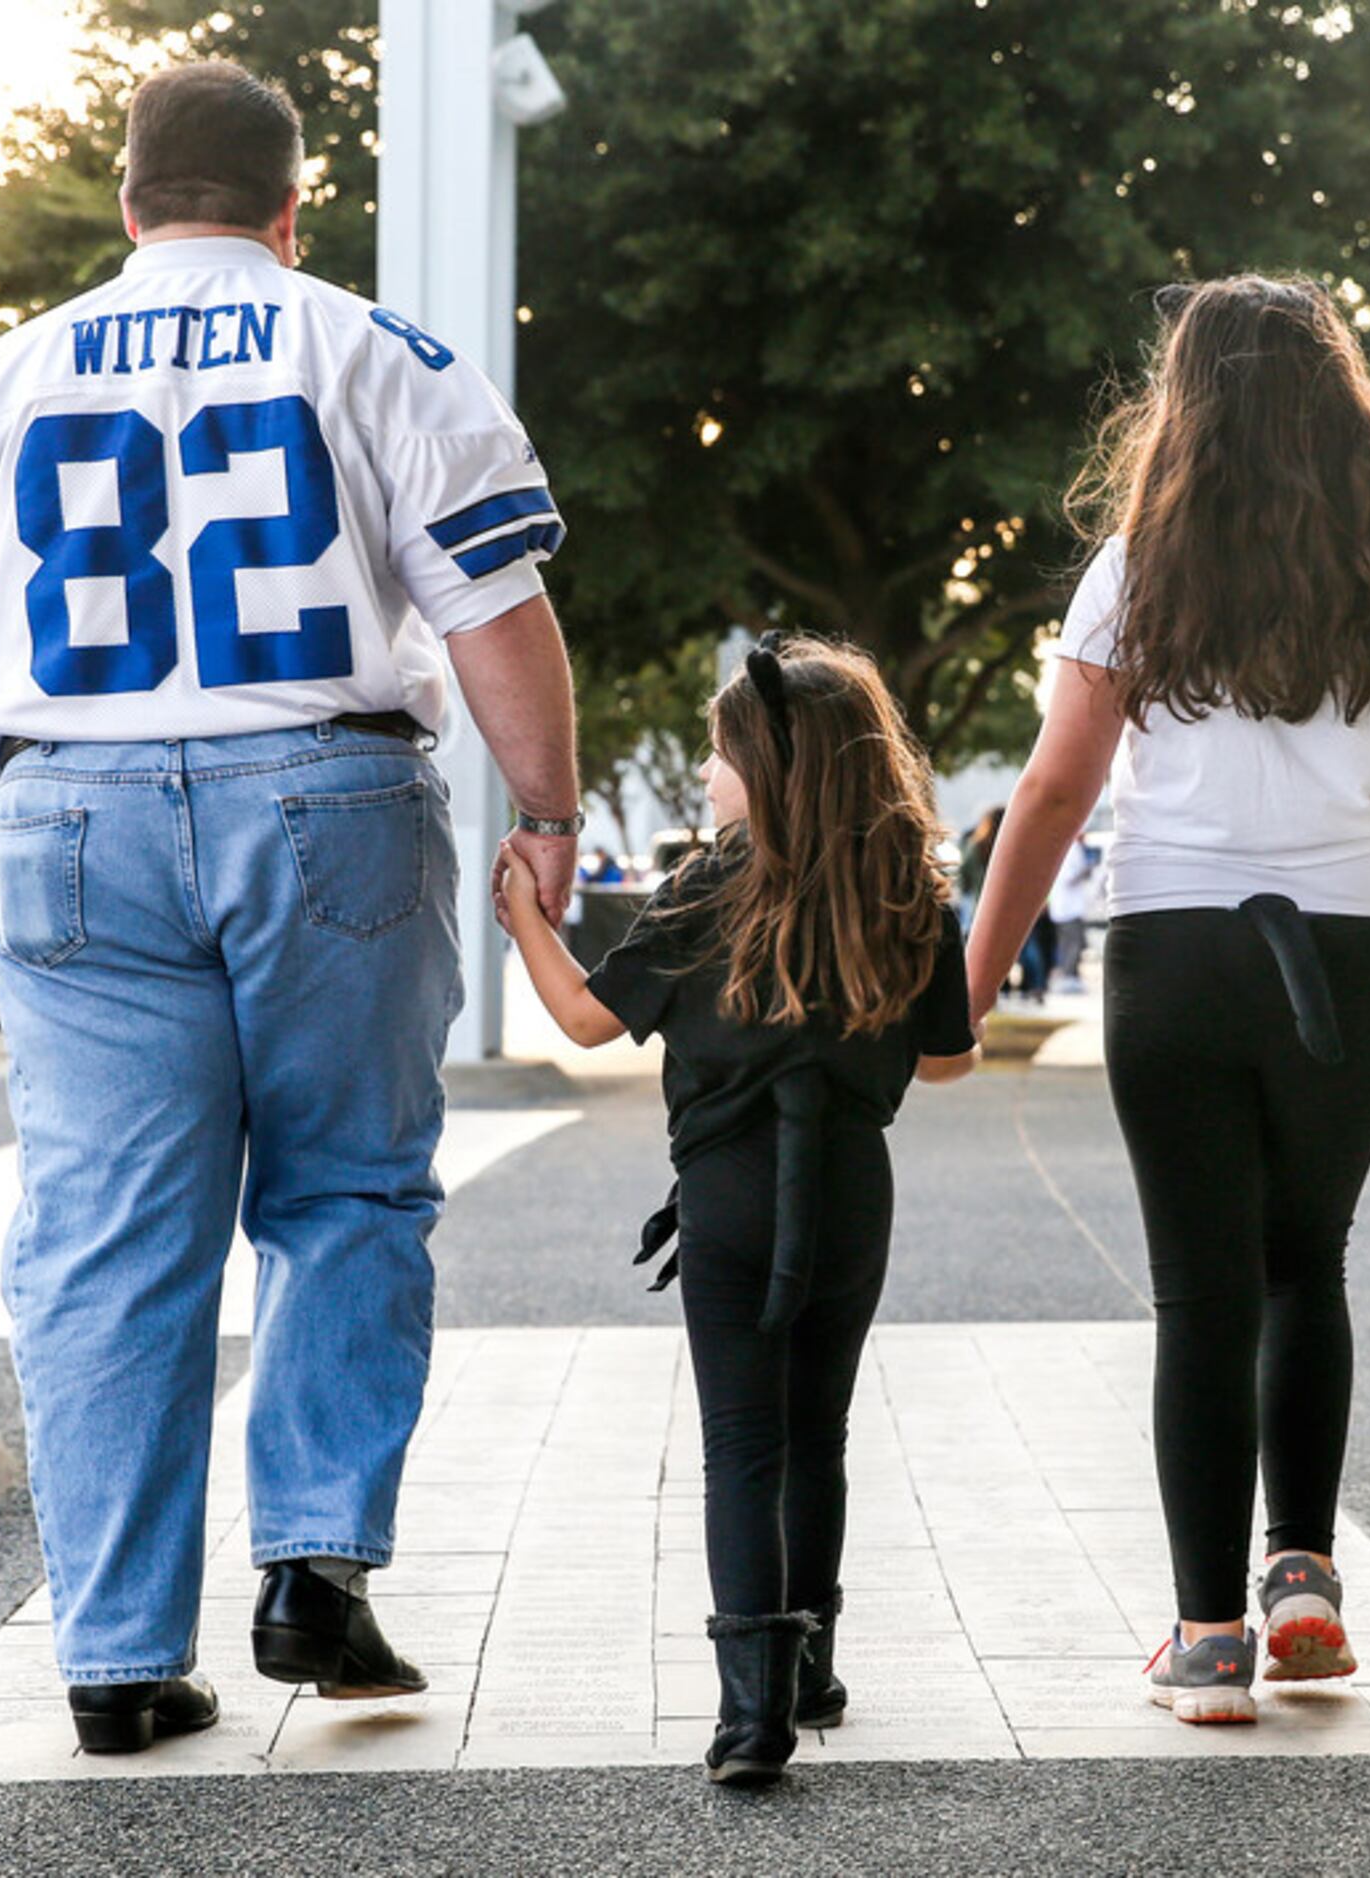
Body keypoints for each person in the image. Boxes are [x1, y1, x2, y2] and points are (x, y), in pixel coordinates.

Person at [0, 63, 582, 1753]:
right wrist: (545, 815)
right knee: (346, 1192)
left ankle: (116, 1653)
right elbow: (496, 615)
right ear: (289, 208)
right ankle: (314, 1568)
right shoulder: (379, 354)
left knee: (107, 1237)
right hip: (326, 797)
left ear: (126, 203)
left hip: (69, 815)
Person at [963, 275, 1370, 1725]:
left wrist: (972, 985)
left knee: (1200, 1293)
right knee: (1308, 1263)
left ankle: (1203, 1641)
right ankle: (1301, 1575)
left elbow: (1055, 787)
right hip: (1339, 951)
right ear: (1343, 408)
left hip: (1177, 945)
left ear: (1184, 407)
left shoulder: (1133, 571)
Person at [499, 635, 978, 1786]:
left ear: (769, 769)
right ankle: (811, 1667)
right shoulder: (903, 893)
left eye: (719, 760)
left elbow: (584, 1021)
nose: (707, 782)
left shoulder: (706, 892)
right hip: (852, 1193)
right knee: (820, 1432)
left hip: (726, 1198)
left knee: (739, 1446)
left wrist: (524, 916)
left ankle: (748, 1718)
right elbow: (950, 1060)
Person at [1047, 834, 1104, 994]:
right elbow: (1069, 878)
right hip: (1069, 908)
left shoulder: (1070, 848)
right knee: (1072, 944)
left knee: (1070, 944)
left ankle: (1070, 974)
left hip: (1068, 907)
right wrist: (1087, 869)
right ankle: (1068, 976)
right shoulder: (1071, 850)